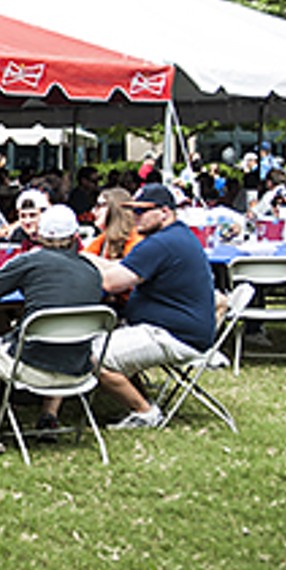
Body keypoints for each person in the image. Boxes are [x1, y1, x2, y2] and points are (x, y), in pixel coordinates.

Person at [0, 205, 106, 455]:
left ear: (40, 234)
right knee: (62, 339)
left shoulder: (31, 261)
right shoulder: (92, 271)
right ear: (75, 235)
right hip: (79, 369)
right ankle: (48, 416)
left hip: (30, 366)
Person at [80, 184, 216, 429]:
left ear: (165, 213)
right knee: (107, 339)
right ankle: (141, 401)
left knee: (89, 355)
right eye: (133, 211)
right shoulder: (175, 236)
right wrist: (87, 259)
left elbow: (111, 282)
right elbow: (119, 268)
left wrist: (77, 263)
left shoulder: (161, 244)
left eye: (142, 211)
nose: (135, 217)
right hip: (181, 329)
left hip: (174, 335)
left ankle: (145, 412)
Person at [83, 187, 142, 260]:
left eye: (100, 205)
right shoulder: (103, 239)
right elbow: (83, 259)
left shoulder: (136, 241)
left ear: (116, 209)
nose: (93, 211)